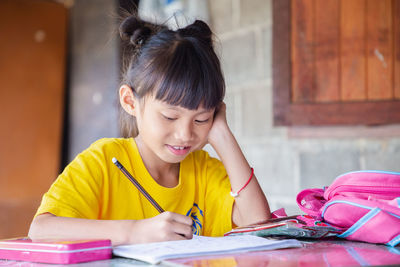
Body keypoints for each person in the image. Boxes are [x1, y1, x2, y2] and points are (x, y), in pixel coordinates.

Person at [28, 15, 271, 246]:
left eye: (201, 119)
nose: (185, 134)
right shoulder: (103, 161)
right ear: (130, 102)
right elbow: (41, 230)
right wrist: (133, 231)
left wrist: (222, 136)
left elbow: (259, 225)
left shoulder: (204, 171)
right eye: (170, 116)